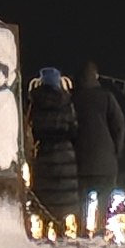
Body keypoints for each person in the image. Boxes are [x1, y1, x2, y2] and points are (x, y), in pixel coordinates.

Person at [72, 60, 125, 231]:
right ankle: (101, 230)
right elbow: (119, 125)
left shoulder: (74, 100)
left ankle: (82, 230)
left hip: (81, 160)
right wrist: (115, 150)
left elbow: (70, 127)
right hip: (106, 161)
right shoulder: (107, 97)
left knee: (82, 200)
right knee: (104, 200)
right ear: (95, 76)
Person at [26, 67, 78, 228]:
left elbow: (30, 126)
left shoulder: (35, 104)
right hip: (65, 153)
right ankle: (63, 226)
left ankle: (46, 225)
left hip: (43, 153)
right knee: (64, 194)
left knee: (45, 192)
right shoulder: (66, 102)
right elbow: (74, 128)